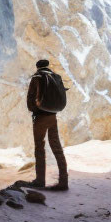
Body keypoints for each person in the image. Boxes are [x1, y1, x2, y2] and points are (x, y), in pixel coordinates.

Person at [26, 59, 68, 190]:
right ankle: (63, 181)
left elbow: (30, 98)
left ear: (38, 67)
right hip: (52, 116)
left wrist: (34, 110)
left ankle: (40, 180)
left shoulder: (37, 77)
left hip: (40, 117)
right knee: (56, 146)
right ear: (47, 66)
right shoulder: (55, 77)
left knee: (39, 147)